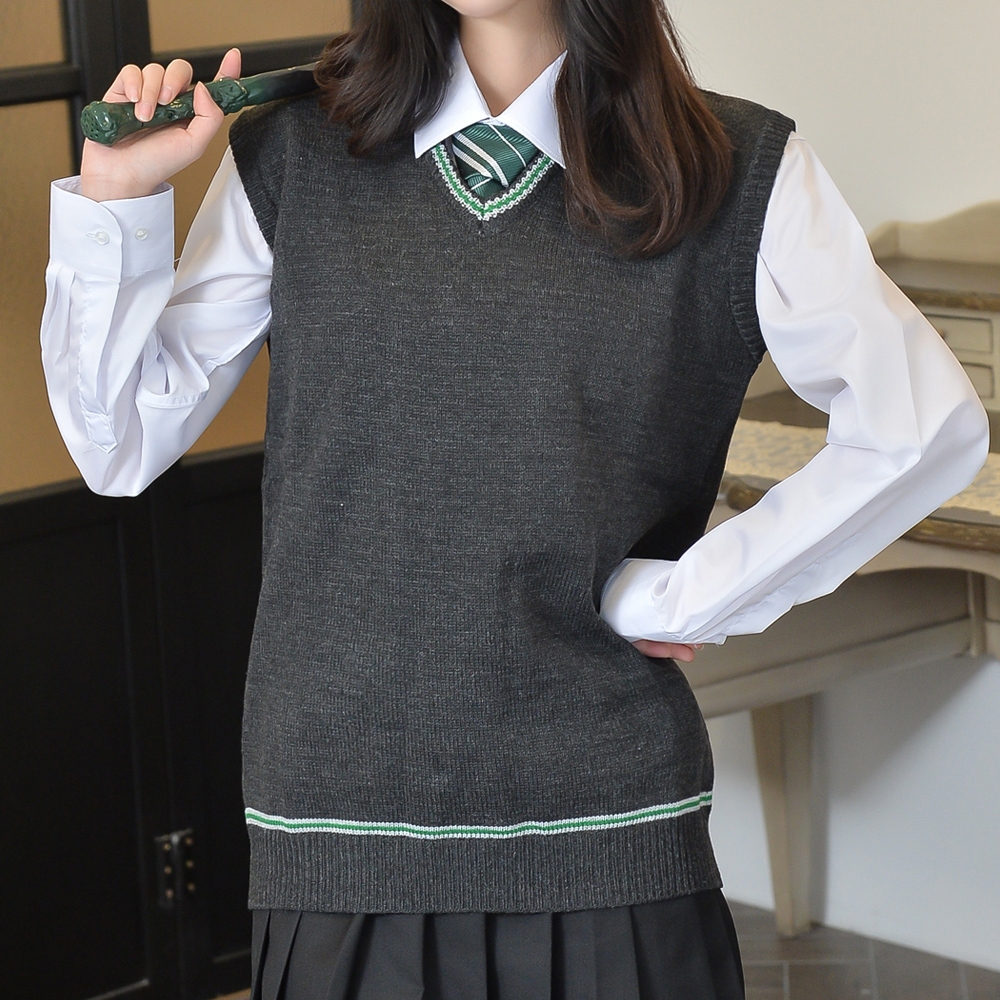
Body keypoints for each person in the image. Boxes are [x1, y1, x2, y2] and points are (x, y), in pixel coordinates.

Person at [41, 0, 988, 995]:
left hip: (607, 819)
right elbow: (119, 444)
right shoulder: (292, 153)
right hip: (342, 819)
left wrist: (692, 596)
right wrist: (116, 201)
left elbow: (922, 424)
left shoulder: (737, 165)